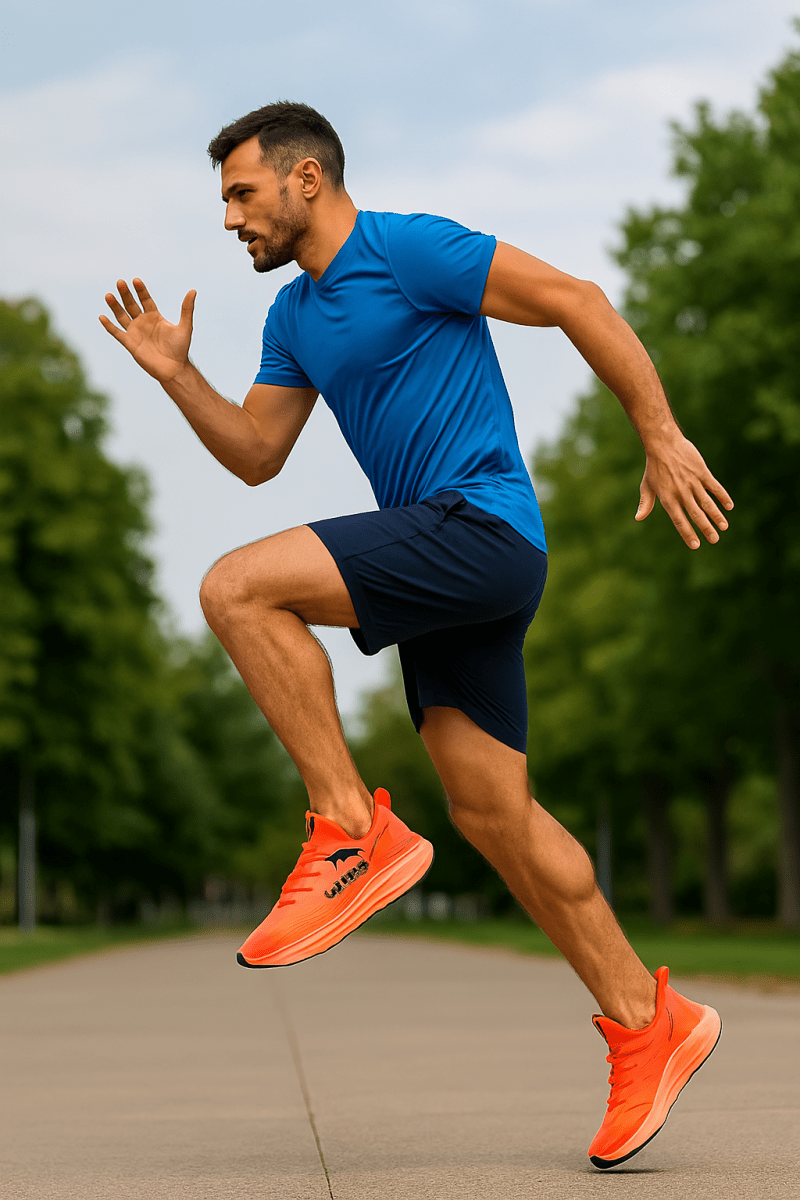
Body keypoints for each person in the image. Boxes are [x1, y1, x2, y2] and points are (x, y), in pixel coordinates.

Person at [101, 101, 728, 1169]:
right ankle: (645, 1020)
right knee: (492, 813)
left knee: (235, 588)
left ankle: (349, 826)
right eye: (224, 202)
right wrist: (176, 378)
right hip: (454, 566)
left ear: (306, 180)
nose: (229, 220)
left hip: (479, 525)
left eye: (241, 194)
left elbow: (575, 300)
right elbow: (257, 453)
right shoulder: (294, 318)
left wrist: (659, 436)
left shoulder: (413, 249)